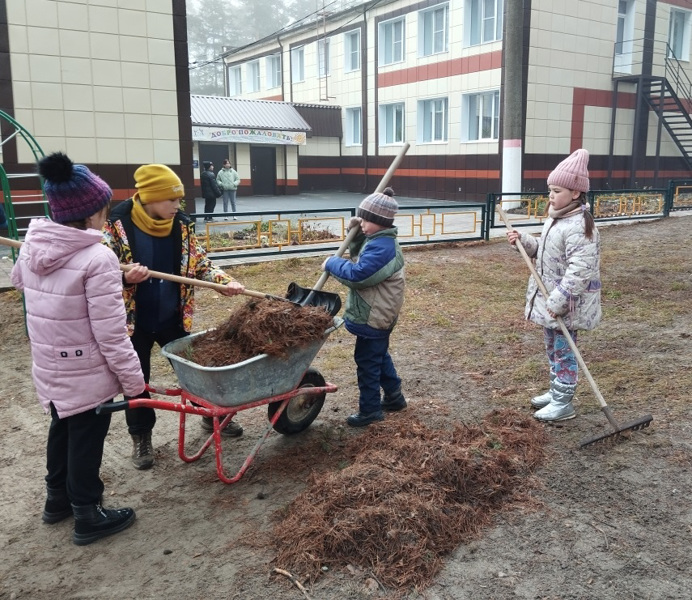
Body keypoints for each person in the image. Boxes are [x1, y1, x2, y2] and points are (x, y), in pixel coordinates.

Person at [10, 152, 146, 545]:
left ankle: (57, 502)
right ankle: (88, 513)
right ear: (92, 215)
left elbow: (33, 288)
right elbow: (111, 333)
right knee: (86, 438)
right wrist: (135, 384)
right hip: (86, 369)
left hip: (51, 362)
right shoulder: (97, 256)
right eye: (104, 210)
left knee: (62, 427)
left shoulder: (33, 244)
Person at [101, 164, 246, 470]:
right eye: (171, 200)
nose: (177, 206)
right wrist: (126, 279)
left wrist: (224, 282)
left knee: (195, 371)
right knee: (136, 382)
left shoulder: (180, 224)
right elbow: (99, 272)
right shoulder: (116, 225)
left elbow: (200, 261)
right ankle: (141, 436)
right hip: (133, 322)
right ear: (151, 198)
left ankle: (209, 417)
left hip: (172, 318)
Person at [506, 148, 601, 422]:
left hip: (568, 304)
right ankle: (556, 390)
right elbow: (544, 253)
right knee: (553, 347)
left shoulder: (581, 226)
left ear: (574, 193)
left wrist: (559, 301)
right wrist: (524, 241)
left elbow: (580, 271)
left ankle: (563, 402)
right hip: (552, 302)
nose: (550, 196)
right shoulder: (555, 220)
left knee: (564, 350)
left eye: (556, 190)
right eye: (549, 190)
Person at [322, 187, 406, 427]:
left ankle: (370, 411)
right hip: (377, 314)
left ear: (379, 222)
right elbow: (362, 256)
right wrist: (357, 235)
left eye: (366, 219)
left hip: (374, 316)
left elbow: (359, 275)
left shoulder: (384, 248)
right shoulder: (378, 241)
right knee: (378, 357)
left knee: (368, 362)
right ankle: (394, 397)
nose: (362, 222)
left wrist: (332, 263)